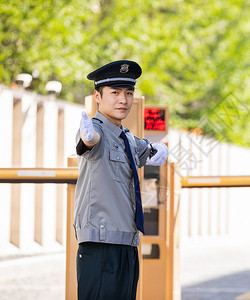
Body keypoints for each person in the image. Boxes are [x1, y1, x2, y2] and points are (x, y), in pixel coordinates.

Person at [73, 60, 168, 300]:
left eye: (128, 93)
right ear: (97, 96)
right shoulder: (96, 129)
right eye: (114, 93)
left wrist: (159, 150)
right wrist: (88, 136)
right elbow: (89, 140)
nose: (123, 100)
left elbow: (147, 150)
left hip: (127, 241)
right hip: (101, 244)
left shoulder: (125, 137)